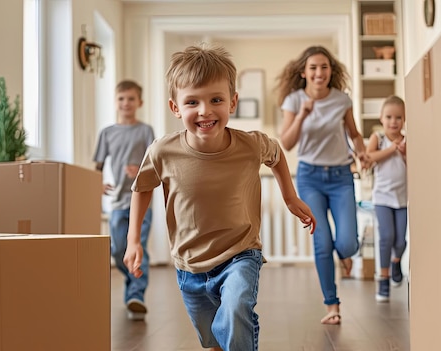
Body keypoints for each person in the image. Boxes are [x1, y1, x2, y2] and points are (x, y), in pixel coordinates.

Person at [123, 43, 316, 351]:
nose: (205, 111)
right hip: (190, 263)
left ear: (232, 102)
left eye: (216, 100)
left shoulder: (250, 145)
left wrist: (290, 198)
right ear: (175, 108)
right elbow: (143, 187)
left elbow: (277, 154)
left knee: (238, 307)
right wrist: (134, 240)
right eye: (192, 102)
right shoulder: (162, 151)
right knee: (212, 338)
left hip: (240, 251)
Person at [276, 45, 371, 325]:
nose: (319, 73)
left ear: (331, 71)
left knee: (346, 243)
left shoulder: (342, 100)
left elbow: (354, 134)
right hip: (310, 177)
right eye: (313, 68)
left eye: (324, 67)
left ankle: (345, 256)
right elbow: (287, 143)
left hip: (341, 176)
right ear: (304, 73)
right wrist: (304, 114)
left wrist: (362, 151)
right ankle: (332, 305)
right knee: (321, 242)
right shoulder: (294, 101)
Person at [93, 80, 155, 320]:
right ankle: (132, 280)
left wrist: (139, 171)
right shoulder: (107, 133)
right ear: (116, 102)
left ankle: (136, 295)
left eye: (131, 98)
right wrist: (96, 183)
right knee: (119, 249)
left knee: (138, 246)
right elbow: (97, 165)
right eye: (121, 99)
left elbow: (154, 163)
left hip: (142, 200)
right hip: (117, 202)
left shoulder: (146, 130)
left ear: (139, 102)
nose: (126, 103)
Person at [365, 95, 408, 302]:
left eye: (398, 117)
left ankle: (396, 261)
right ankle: (383, 279)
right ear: (381, 119)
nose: (393, 122)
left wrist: (405, 153)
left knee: (400, 240)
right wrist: (392, 149)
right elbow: (369, 158)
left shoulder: (407, 140)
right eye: (389, 117)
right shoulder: (379, 139)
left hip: (402, 199)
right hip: (382, 198)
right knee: (386, 237)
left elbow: (415, 164)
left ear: (405, 119)